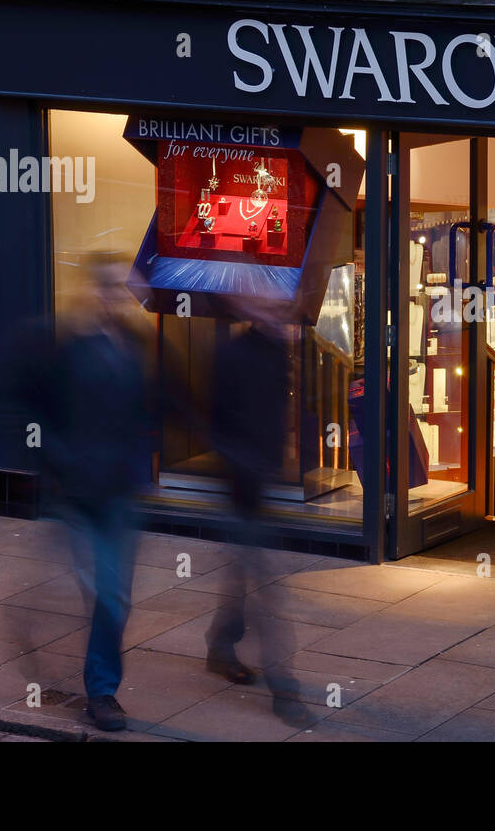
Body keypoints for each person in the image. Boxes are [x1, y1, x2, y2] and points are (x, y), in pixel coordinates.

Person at [20, 255, 159, 732]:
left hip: (119, 491)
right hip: (80, 493)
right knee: (103, 590)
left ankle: (101, 686)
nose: (123, 302)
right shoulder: (68, 350)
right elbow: (36, 411)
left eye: (127, 294)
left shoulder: (139, 346)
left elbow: (154, 406)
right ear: (100, 295)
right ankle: (100, 693)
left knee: (115, 595)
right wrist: (63, 464)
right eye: (117, 293)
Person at [202, 292, 306, 725]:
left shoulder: (278, 351)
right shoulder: (231, 355)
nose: (278, 315)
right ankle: (285, 689)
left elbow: (277, 411)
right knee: (267, 587)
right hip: (239, 483)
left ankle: (220, 644)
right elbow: (214, 421)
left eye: (280, 308)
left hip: (259, 481)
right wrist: (239, 465)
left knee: (243, 570)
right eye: (268, 308)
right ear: (248, 311)